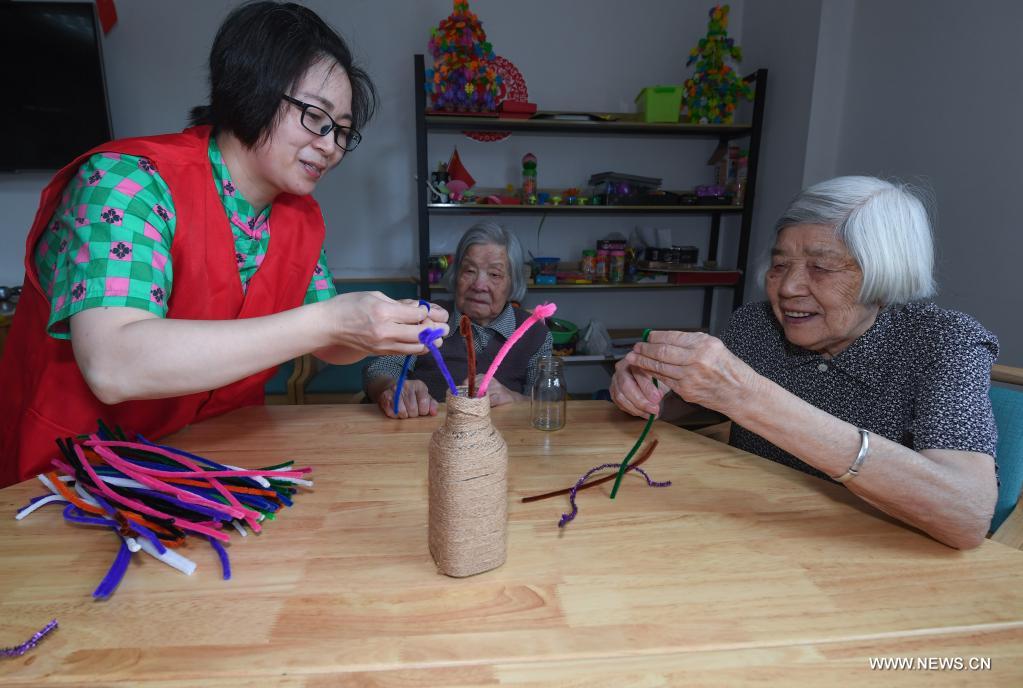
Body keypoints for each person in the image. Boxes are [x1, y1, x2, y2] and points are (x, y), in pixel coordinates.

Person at [0, 1, 448, 488]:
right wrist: (333, 320)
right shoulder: (128, 182)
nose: (330, 146)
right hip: (76, 474)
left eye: (342, 130)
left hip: (212, 463)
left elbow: (330, 343)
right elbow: (113, 365)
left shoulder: (300, 217)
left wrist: (381, 324)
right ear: (251, 90)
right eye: (316, 117)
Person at [611, 176, 999, 549]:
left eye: (822, 267)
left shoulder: (946, 342)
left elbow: (967, 515)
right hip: (752, 531)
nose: (788, 287)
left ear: (886, 272)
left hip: (873, 554)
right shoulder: (756, 324)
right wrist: (651, 392)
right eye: (780, 265)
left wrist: (747, 395)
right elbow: (697, 406)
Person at [365, 221, 552, 418]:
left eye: (494, 274)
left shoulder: (535, 334)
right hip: (426, 432)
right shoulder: (426, 317)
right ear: (456, 274)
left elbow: (546, 401)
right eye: (469, 270)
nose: (479, 285)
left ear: (513, 282)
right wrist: (394, 387)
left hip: (504, 434)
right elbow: (379, 369)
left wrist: (515, 398)